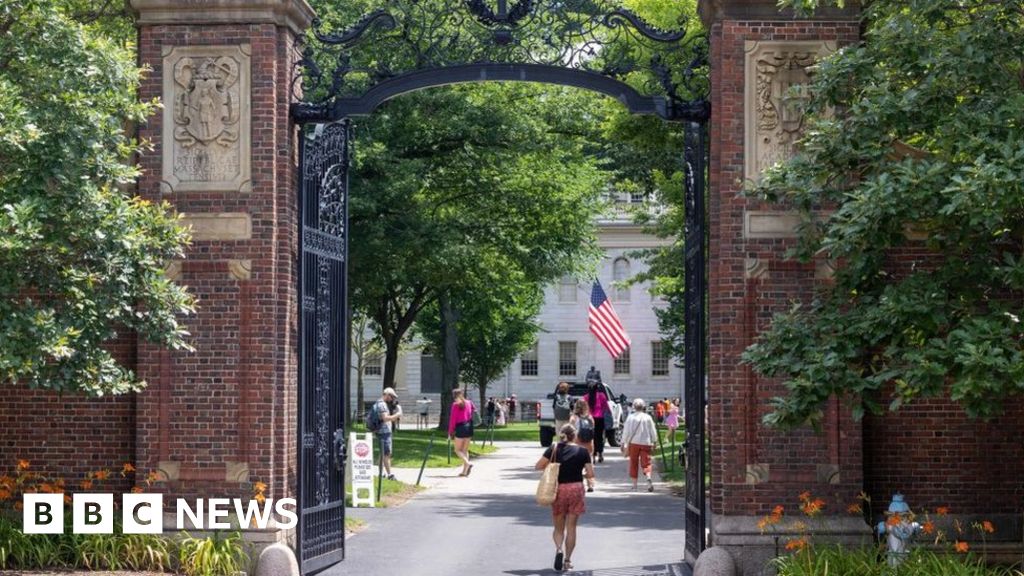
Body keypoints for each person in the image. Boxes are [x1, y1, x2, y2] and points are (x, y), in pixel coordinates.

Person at [535, 424, 595, 573]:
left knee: (558, 527)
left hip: (559, 489)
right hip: (576, 489)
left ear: (561, 435)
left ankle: (559, 549)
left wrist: (551, 467)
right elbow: (590, 473)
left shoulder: (554, 448)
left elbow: (538, 466)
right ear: (575, 436)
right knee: (572, 527)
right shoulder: (583, 451)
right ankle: (568, 560)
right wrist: (581, 475)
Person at [621, 398, 658, 492]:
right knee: (646, 462)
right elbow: (652, 430)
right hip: (646, 443)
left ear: (633, 407)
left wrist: (623, 442)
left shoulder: (630, 417)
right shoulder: (647, 417)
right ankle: (648, 478)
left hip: (634, 443)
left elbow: (626, 431)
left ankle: (634, 485)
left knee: (633, 463)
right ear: (643, 407)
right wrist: (654, 441)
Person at [373, 387, 401, 480]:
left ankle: (381, 473)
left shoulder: (379, 403)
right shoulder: (382, 405)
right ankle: (390, 475)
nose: (392, 399)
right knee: (387, 454)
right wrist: (398, 414)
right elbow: (385, 418)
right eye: (392, 396)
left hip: (381, 431)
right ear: (387, 395)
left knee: (382, 453)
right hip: (384, 432)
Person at [447, 388, 476, 476]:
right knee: (465, 450)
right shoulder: (469, 402)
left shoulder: (455, 405)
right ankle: (465, 471)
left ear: (453, 396)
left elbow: (453, 420)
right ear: (462, 394)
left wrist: (450, 432)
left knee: (457, 450)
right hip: (469, 427)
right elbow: (474, 410)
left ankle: (467, 463)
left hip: (460, 427)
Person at [586, 380, 610, 463]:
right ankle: (600, 453)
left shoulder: (585, 397)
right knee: (599, 437)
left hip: (589, 419)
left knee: (591, 438)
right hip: (600, 418)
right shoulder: (602, 396)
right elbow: (606, 407)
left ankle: (592, 455)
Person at [569, 398, 596, 464]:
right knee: (588, 463)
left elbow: (570, 431)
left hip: (577, 443)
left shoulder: (573, 418)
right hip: (589, 444)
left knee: (577, 465)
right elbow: (592, 429)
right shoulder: (590, 418)